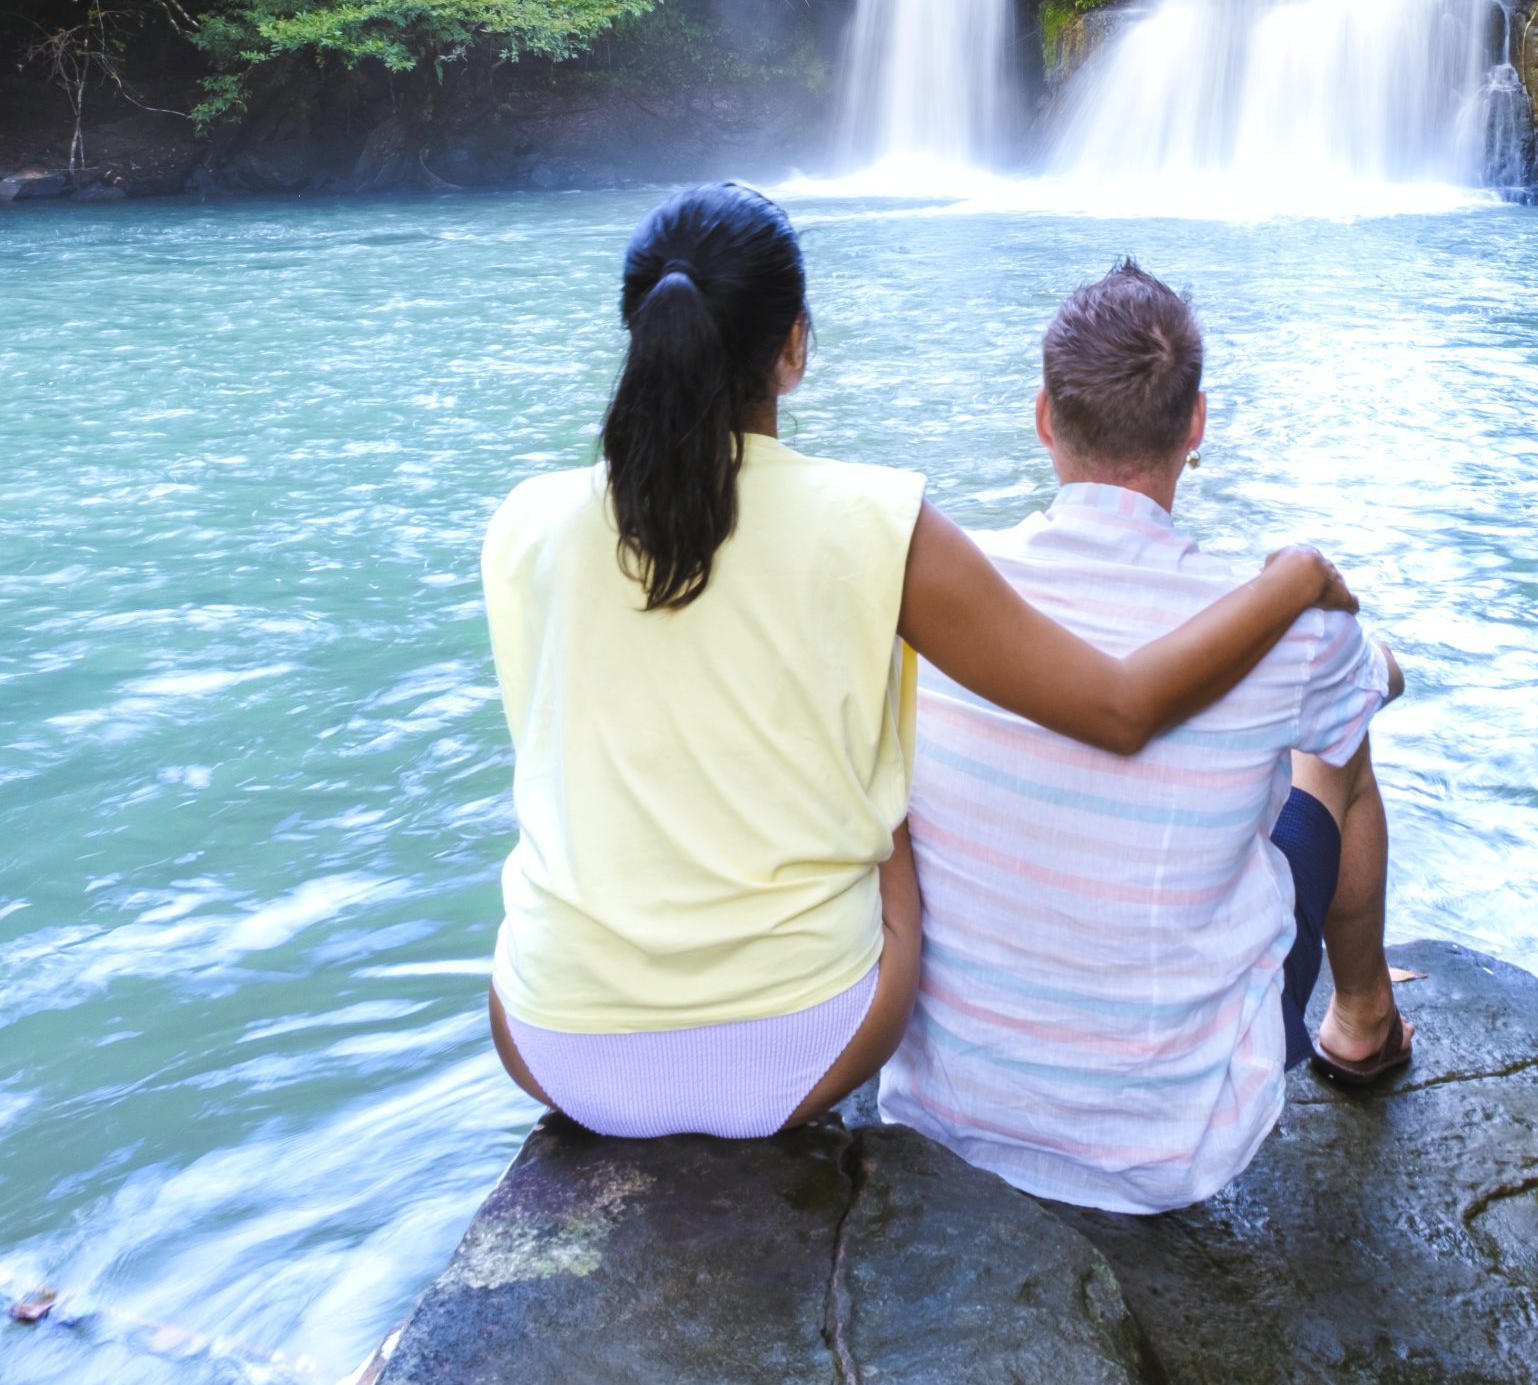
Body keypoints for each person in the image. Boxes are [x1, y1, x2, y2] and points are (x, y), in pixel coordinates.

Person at [481, 184, 1352, 1144]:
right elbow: (1119, 709)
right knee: (884, 799)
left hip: (548, 1043)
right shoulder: (876, 524)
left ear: (641, 330)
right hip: (804, 1045)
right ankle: (1364, 1019)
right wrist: (1295, 578)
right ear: (794, 348)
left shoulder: (525, 521)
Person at [878, 259, 1411, 1215]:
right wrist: (1317, 619)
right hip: (1173, 1143)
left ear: (1044, 416)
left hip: (943, 1114)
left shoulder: (939, 598)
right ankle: (1362, 1020)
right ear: (1194, 425)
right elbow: (1383, 684)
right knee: (1334, 745)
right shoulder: (1276, 629)